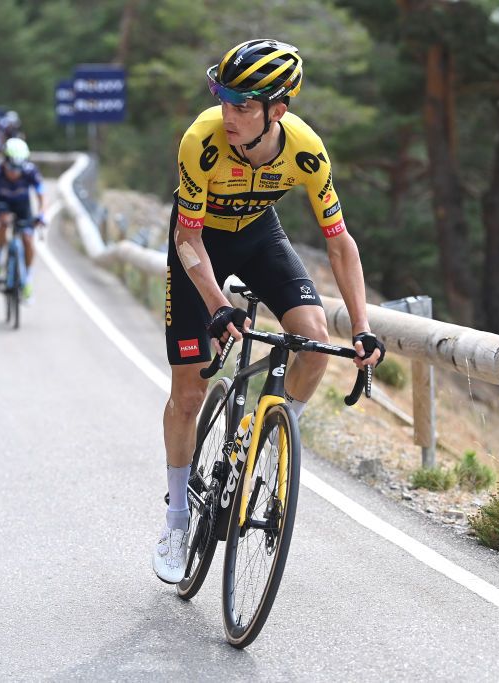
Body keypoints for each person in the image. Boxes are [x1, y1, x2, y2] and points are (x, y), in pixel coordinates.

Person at [152, 39, 385, 583]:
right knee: (188, 389)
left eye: (242, 106)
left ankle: (274, 434)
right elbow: (188, 238)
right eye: (224, 100)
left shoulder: (306, 150)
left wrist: (366, 327)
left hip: (259, 238)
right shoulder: (201, 141)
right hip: (200, 246)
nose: (228, 116)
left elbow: (340, 242)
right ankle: (178, 518)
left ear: (277, 110)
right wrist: (217, 305)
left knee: (314, 337)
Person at [0, 137, 47, 301]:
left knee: (27, 238)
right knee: (3, 224)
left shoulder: (30, 171)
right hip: (3, 203)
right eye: (11, 168)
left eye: (18, 169)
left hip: (22, 205)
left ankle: (28, 279)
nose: (14, 173)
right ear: (5, 160)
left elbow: (42, 198)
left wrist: (41, 215)